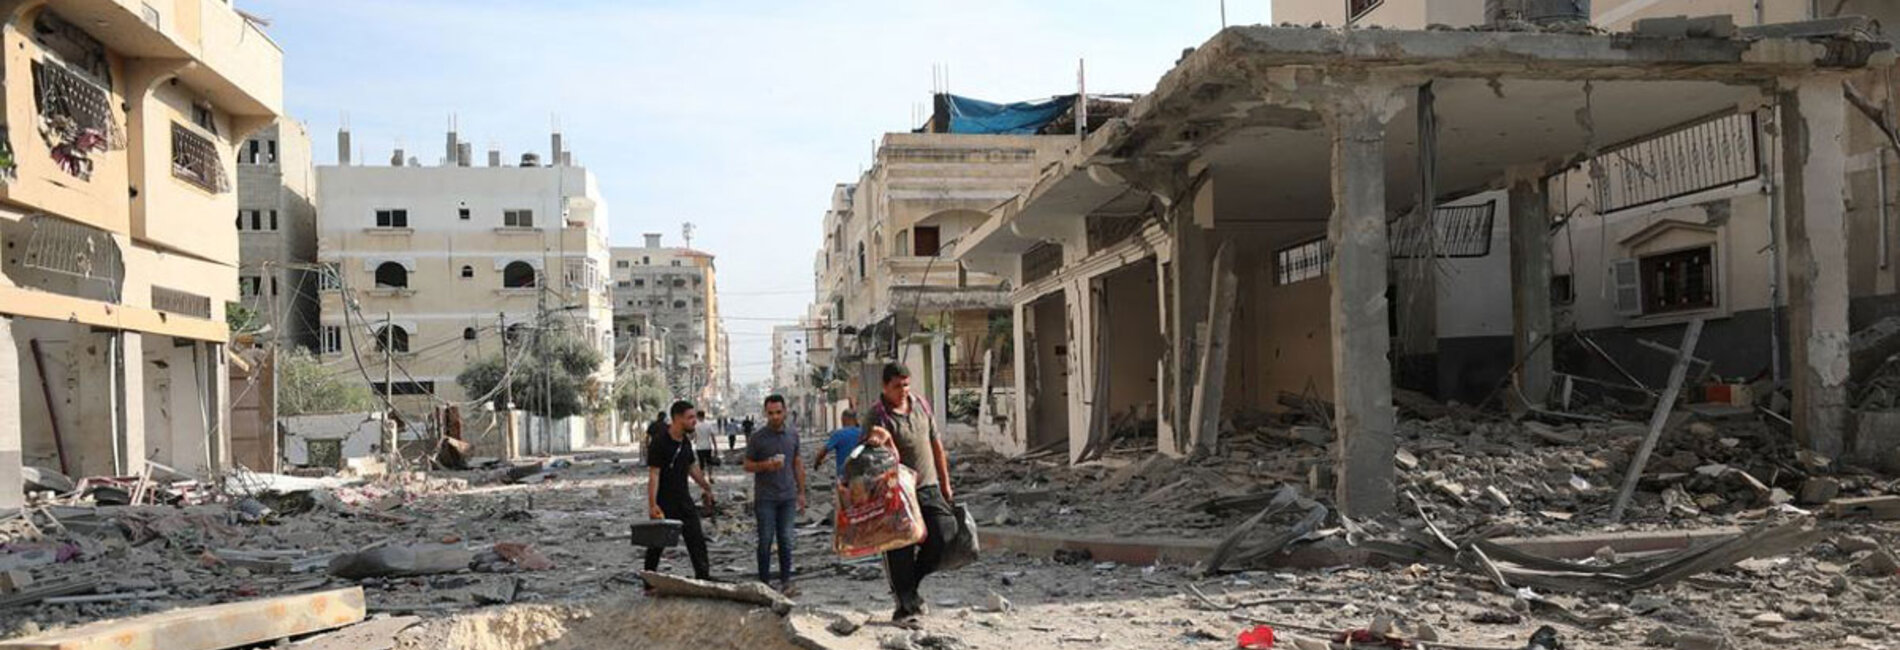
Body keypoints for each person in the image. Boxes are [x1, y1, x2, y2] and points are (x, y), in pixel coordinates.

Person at [862, 363, 957, 629]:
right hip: (894, 493)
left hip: (927, 487)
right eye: (896, 386)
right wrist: (878, 441)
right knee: (899, 549)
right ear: (885, 387)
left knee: (943, 535)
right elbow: (867, 457)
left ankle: (910, 587)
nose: (903, 390)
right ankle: (904, 606)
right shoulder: (876, 415)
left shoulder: (922, 406)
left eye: (906, 384)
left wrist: (945, 483)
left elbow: (936, 446)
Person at [644, 401, 715, 581]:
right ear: (677, 418)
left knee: (696, 540)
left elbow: (692, 467)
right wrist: (653, 505)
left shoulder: (684, 442)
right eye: (690, 417)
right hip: (665, 502)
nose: (694, 421)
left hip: (684, 500)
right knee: (656, 544)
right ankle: (649, 582)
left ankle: (703, 578)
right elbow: (654, 475)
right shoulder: (660, 442)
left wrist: (706, 487)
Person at [743, 395, 806, 595]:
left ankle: (786, 581)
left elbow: (797, 463)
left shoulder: (793, 435)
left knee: (786, 539)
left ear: (785, 411)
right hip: (765, 498)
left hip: (787, 496)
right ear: (765, 413)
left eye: (778, 412)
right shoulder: (758, 438)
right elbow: (747, 465)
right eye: (771, 413)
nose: (775, 417)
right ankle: (764, 582)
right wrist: (766, 465)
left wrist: (802, 492)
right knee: (766, 539)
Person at [813, 409, 862, 482]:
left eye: (842, 420)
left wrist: (817, 463)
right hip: (862, 474)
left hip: (844, 474)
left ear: (845, 419)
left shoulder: (839, 434)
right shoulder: (863, 432)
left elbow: (824, 451)